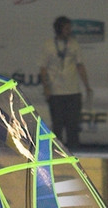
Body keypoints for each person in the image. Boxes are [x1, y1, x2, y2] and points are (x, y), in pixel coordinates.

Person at [39, 16, 91, 150]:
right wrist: (46, 88)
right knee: (58, 126)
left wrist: (86, 86)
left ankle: (75, 153)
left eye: (70, 28)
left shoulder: (74, 44)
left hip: (73, 91)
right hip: (56, 92)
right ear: (59, 29)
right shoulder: (48, 44)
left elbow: (80, 65)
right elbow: (43, 68)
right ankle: (56, 154)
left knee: (73, 125)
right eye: (66, 28)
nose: (69, 30)